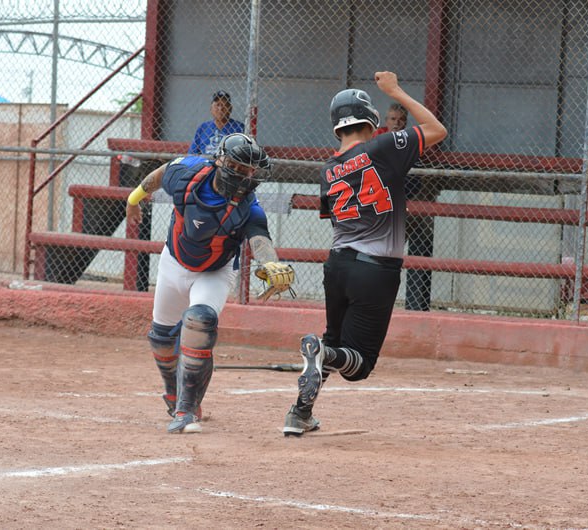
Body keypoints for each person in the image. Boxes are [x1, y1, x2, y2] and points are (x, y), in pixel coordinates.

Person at [282, 72, 447, 436]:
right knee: (359, 366)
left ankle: (299, 413)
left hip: (338, 264)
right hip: (376, 270)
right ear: (370, 120)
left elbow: (337, 221)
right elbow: (436, 130)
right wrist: (395, 91)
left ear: (336, 125)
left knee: (333, 339)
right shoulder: (383, 146)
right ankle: (321, 358)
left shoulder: (328, 169)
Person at [126, 133, 294, 434]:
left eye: (250, 172)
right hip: (174, 261)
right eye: (240, 168)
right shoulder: (188, 173)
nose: (245, 177)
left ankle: (186, 410)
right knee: (162, 338)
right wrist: (133, 200)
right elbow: (160, 175)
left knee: (199, 322)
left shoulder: (248, 207)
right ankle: (173, 393)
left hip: (214, 271)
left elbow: (260, 239)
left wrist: (270, 262)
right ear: (222, 162)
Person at [188, 90, 245, 156]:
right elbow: (192, 153)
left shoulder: (239, 128)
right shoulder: (203, 128)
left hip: (228, 164)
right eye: (217, 105)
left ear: (230, 109)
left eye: (224, 105)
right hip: (206, 164)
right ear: (211, 109)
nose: (220, 108)